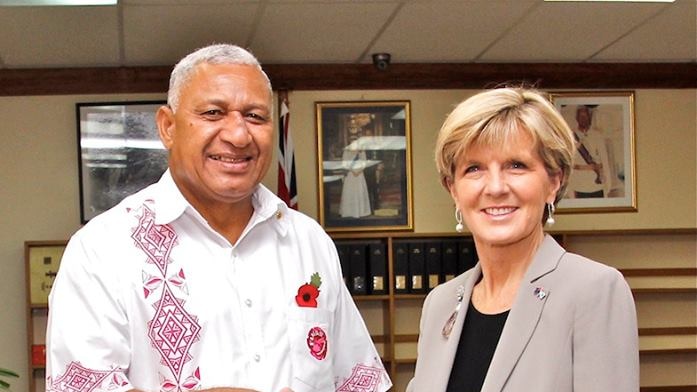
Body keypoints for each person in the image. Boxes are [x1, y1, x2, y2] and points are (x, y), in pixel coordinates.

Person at [46, 44, 391, 392]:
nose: (239, 135)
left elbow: (358, 381)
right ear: (167, 126)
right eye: (213, 113)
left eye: (255, 116)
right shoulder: (103, 249)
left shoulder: (308, 241)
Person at [407, 87, 638, 392]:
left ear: (553, 182)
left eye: (516, 165)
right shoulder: (440, 303)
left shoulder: (594, 291)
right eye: (474, 168)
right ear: (454, 190)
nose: (496, 187)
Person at [568, 105, 612, 198]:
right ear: (577, 118)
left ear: (590, 117)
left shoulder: (597, 135)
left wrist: (608, 184)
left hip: (596, 185)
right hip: (579, 185)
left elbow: (605, 161)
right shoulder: (571, 137)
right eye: (581, 116)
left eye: (586, 116)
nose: (583, 119)